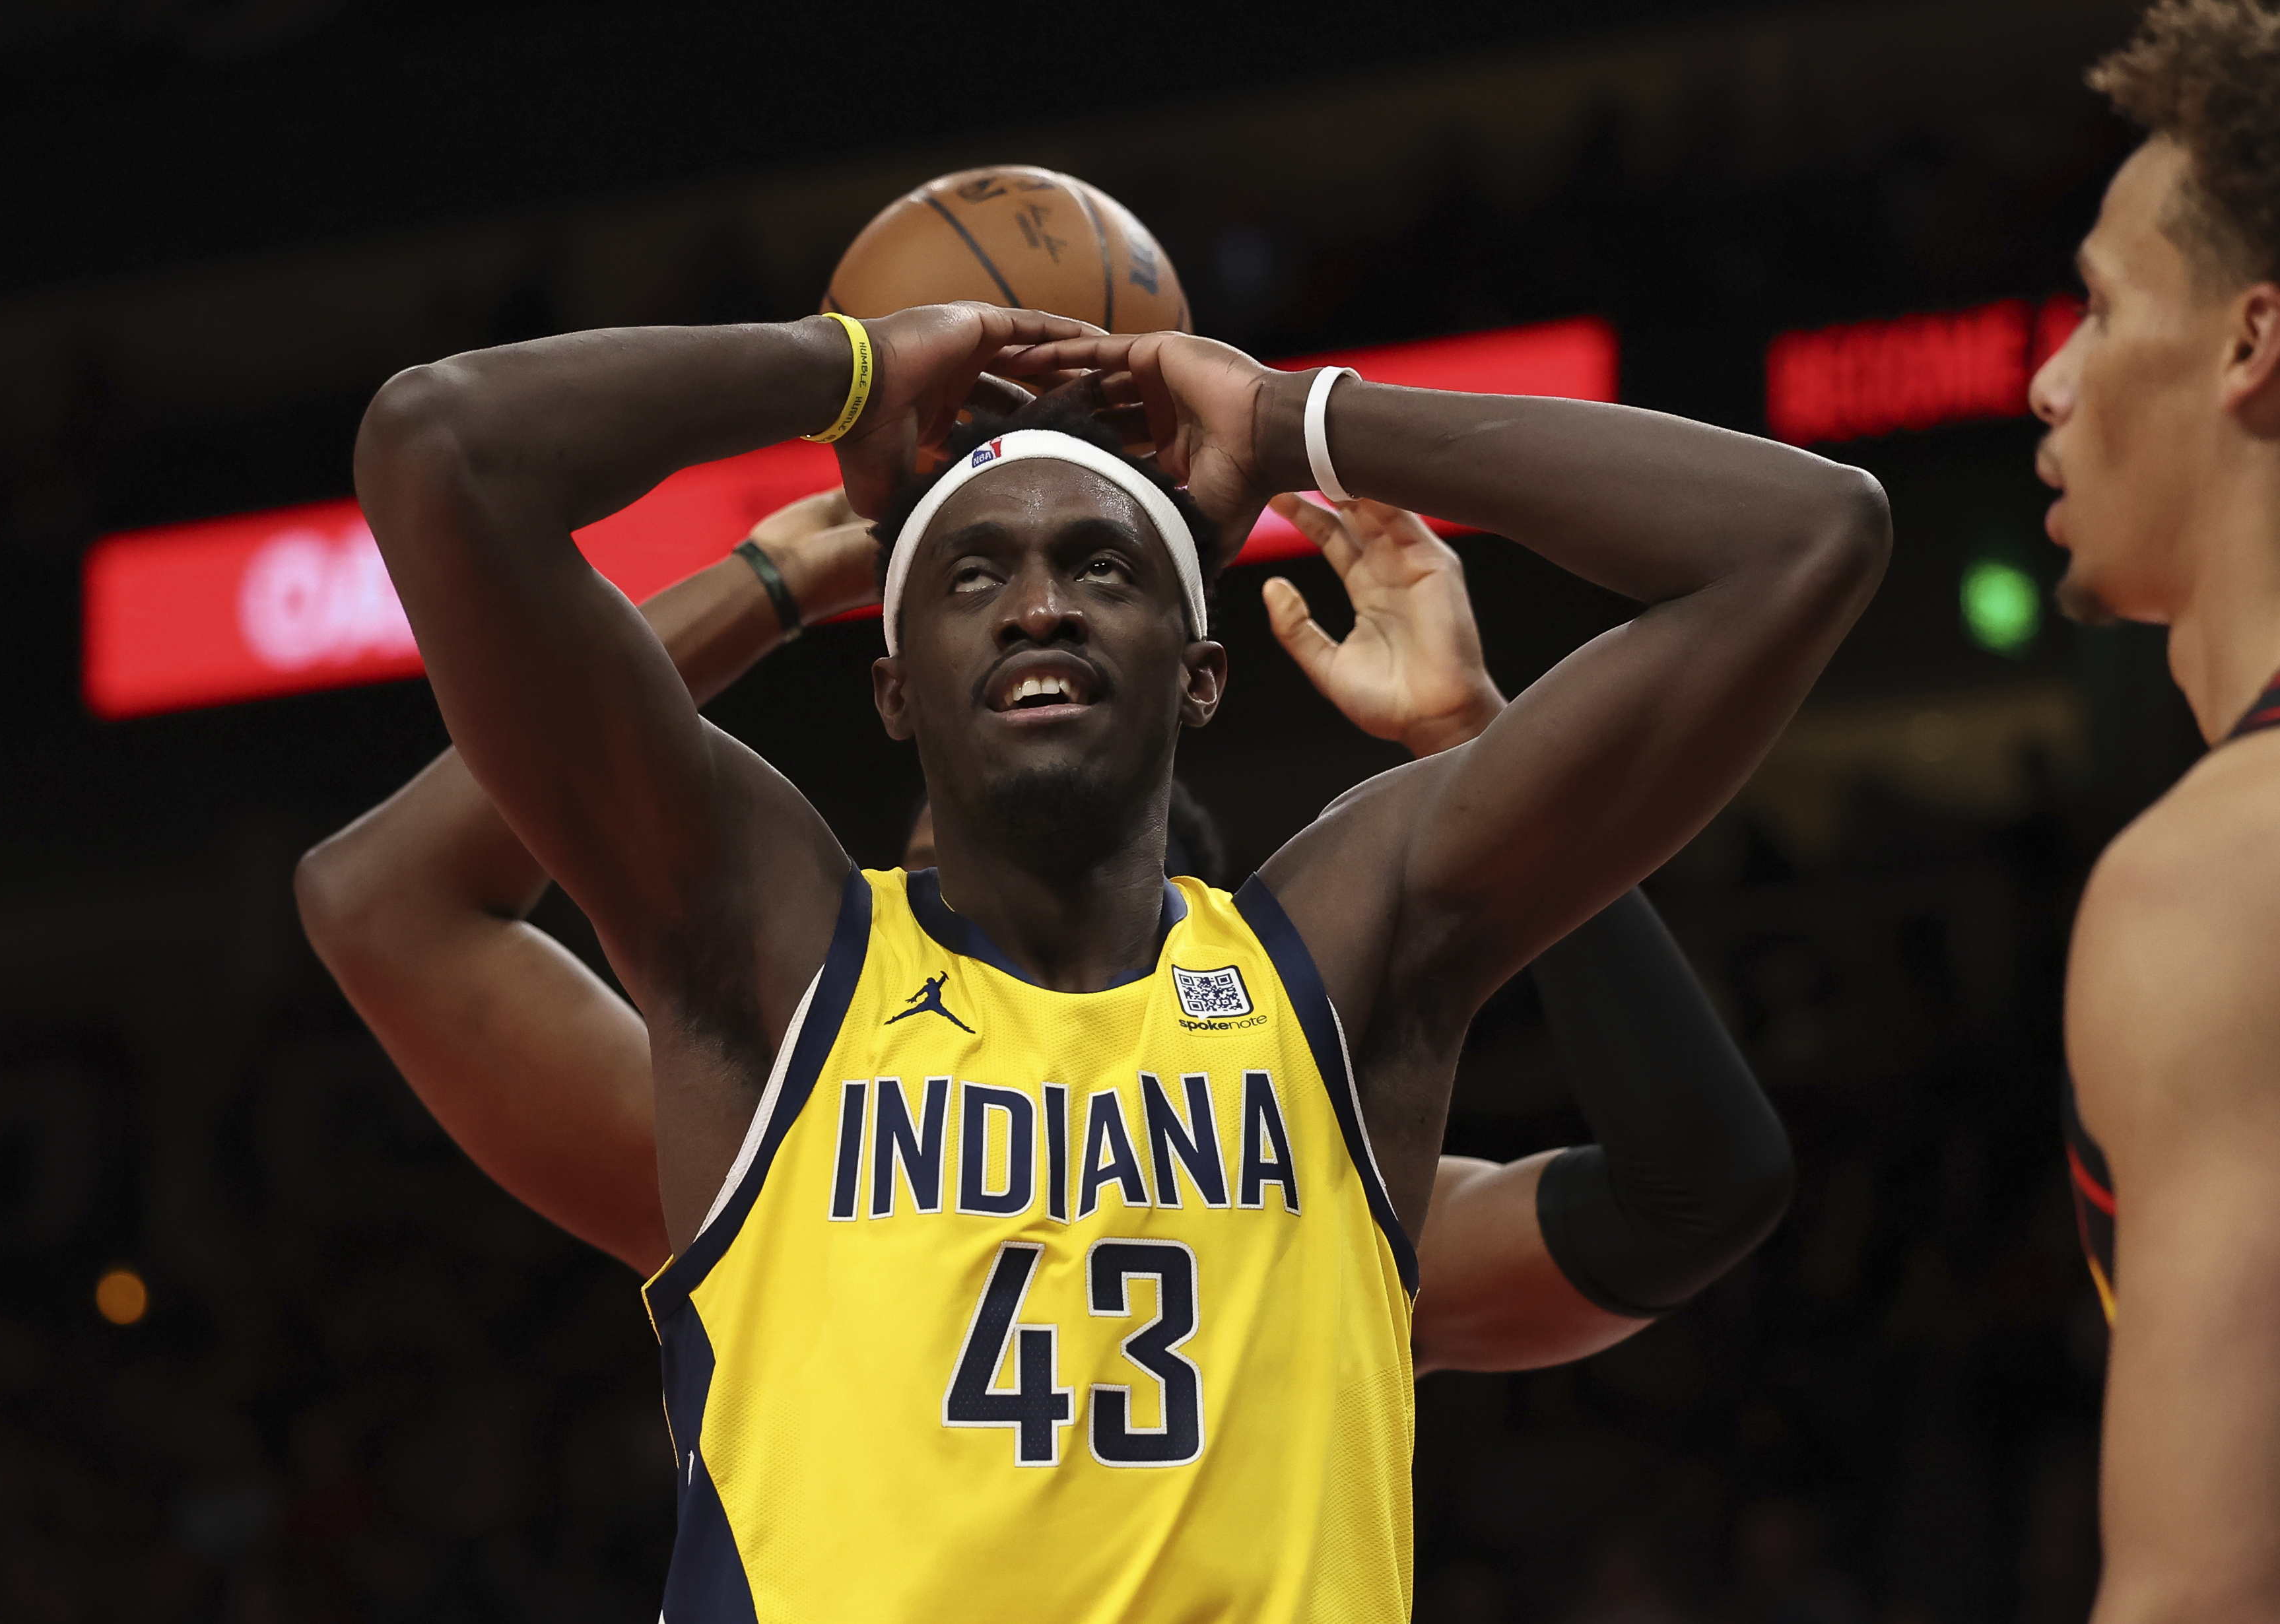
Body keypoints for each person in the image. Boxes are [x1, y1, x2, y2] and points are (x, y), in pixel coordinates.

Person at [347, 300, 1885, 1619]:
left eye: (1102, 566)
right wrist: (851, 373)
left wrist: (1298, 424)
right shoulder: (770, 966)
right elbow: (441, 446)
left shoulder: (1342, 962)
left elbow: (1805, 537)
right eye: (971, 574)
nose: (1036, 605)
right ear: (892, 689)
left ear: (1201, 673)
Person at [298, 481, 1795, 1372]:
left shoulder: (1315, 1164)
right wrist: (769, 584)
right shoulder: (770, 1131)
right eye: (923, 890)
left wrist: (1480, 748)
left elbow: (1692, 1196)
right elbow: (379, 900)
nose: (931, 925)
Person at [2029, 3, 2280, 1617]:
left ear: (2253, 343)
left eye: (2099, 309)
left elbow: (2205, 1593)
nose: (2053, 381)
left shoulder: (2219, 880)